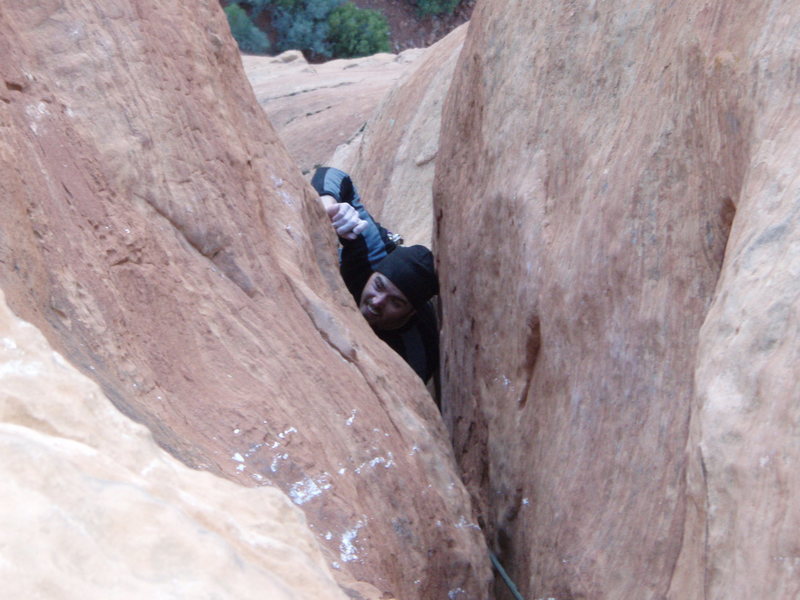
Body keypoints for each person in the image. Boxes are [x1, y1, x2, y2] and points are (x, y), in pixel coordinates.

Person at [311, 167, 439, 385]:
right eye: (379, 286)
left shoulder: (415, 348)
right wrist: (329, 206)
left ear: (410, 314)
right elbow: (332, 174)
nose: (377, 301)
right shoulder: (372, 252)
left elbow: (407, 393)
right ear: (377, 272)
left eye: (396, 303)